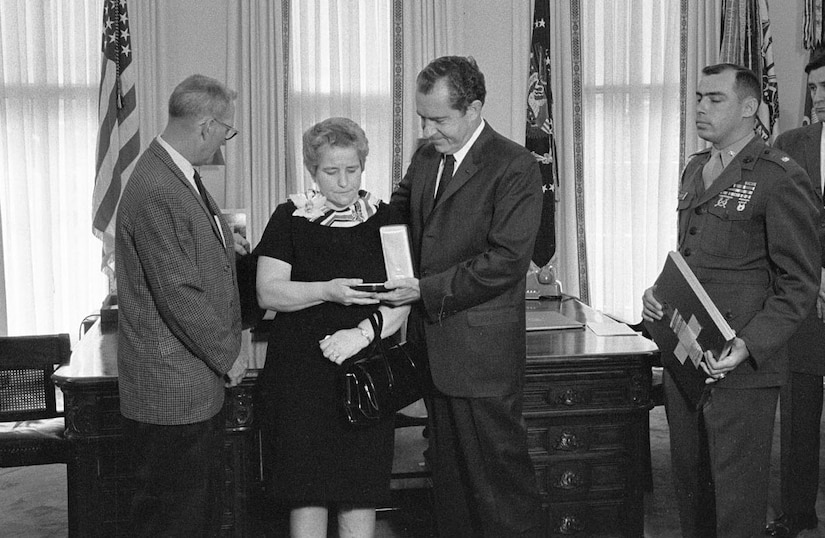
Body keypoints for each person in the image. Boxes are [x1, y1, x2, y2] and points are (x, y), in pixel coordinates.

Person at [642, 63, 821, 538]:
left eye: (714, 98)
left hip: (738, 367)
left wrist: (750, 344)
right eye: (699, 96)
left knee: (735, 502)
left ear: (749, 107)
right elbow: (690, 257)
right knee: (692, 490)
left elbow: (798, 283)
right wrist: (657, 296)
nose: (700, 106)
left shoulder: (778, 177)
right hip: (687, 359)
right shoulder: (696, 167)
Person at [378, 55, 544, 537]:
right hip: (433, 350)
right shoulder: (427, 156)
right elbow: (397, 216)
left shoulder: (514, 165)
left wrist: (422, 290)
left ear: (473, 109)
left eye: (438, 119)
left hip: (482, 357)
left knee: (500, 488)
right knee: (449, 484)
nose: (427, 129)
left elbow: (506, 261)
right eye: (422, 118)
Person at [254, 117, 410, 538]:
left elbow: (403, 298)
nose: (343, 182)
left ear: (363, 165)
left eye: (352, 170)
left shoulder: (387, 219)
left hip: (365, 372)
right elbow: (268, 293)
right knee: (306, 490)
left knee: (360, 490)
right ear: (312, 170)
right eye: (330, 171)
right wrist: (327, 291)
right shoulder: (290, 216)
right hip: (301, 375)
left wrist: (360, 334)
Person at [116, 74, 249, 537]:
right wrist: (228, 356)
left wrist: (222, 242)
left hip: (188, 386)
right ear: (207, 126)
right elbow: (178, 294)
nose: (224, 141)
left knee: (194, 513)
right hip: (172, 392)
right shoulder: (157, 185)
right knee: (176, 519)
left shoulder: (175, 172)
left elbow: (186, 251)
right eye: (226, 131)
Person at [764, 53, 825, 538]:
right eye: (815, 88)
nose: (819, 97)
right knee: (799, 420)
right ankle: (797, 515)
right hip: (807, 309)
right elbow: (782, 225)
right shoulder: (790, 146)